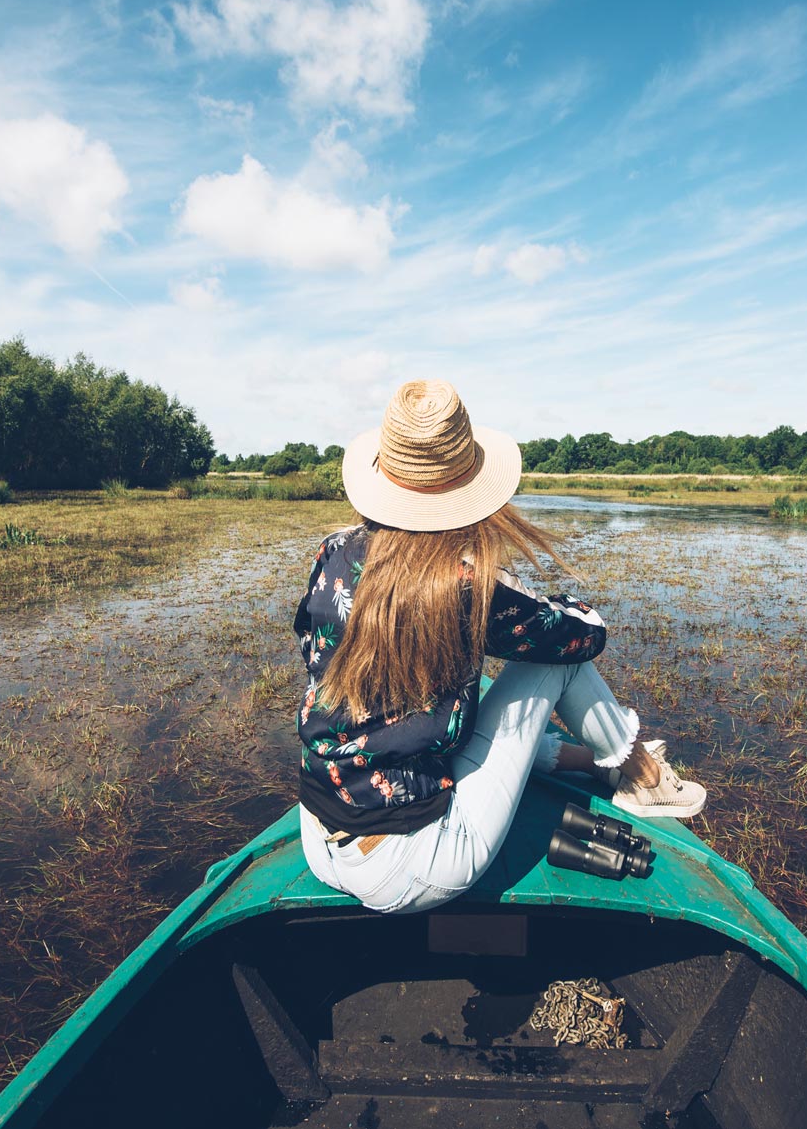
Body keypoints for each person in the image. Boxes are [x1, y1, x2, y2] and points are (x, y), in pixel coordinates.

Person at [295, 378, 706, 915]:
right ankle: (643, 779)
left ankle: (594, 762)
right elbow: (585, 636)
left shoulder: (333, 553)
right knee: (556, 665)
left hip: (319, 833)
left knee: (443, 711)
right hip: (409, 867)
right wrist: (534, 597)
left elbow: (312, 645)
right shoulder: (467, 587)